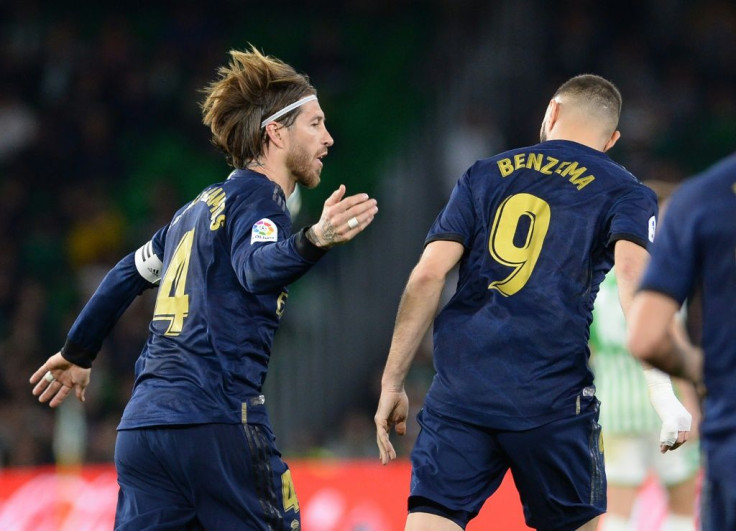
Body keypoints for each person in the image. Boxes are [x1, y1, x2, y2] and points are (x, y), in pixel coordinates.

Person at [29, 46, 378, 530]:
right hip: (216, 422)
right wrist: (314, 238)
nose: (328, 138)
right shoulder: (261, 200)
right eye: (315, 123)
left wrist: (79, 351)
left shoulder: (191, 210)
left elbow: (125, 275)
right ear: (275, 132)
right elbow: (255, 269)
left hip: (144, 429)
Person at [374, 74, 692, 531]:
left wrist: (392, 383)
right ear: (612, 139)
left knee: (431, 520)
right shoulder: (627, 192)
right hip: (552, 397)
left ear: (553, 112)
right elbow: (632, 280)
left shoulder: (483, 173)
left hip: (462, 390)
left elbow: (427, 275)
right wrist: (664, 395)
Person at [627, 153, 736, 531]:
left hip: (628, 404)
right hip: (664, 406)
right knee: (676, 499)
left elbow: (647, 335)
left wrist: (705, 371)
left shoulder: (702, 199)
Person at [590, 183, 701, 531]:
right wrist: (694, 406)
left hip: (617, 411)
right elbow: (673, 346)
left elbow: (587, 355)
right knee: (682, 504)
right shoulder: (659, 285)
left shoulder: (593, 289)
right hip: (667, 408)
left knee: (620, 510)